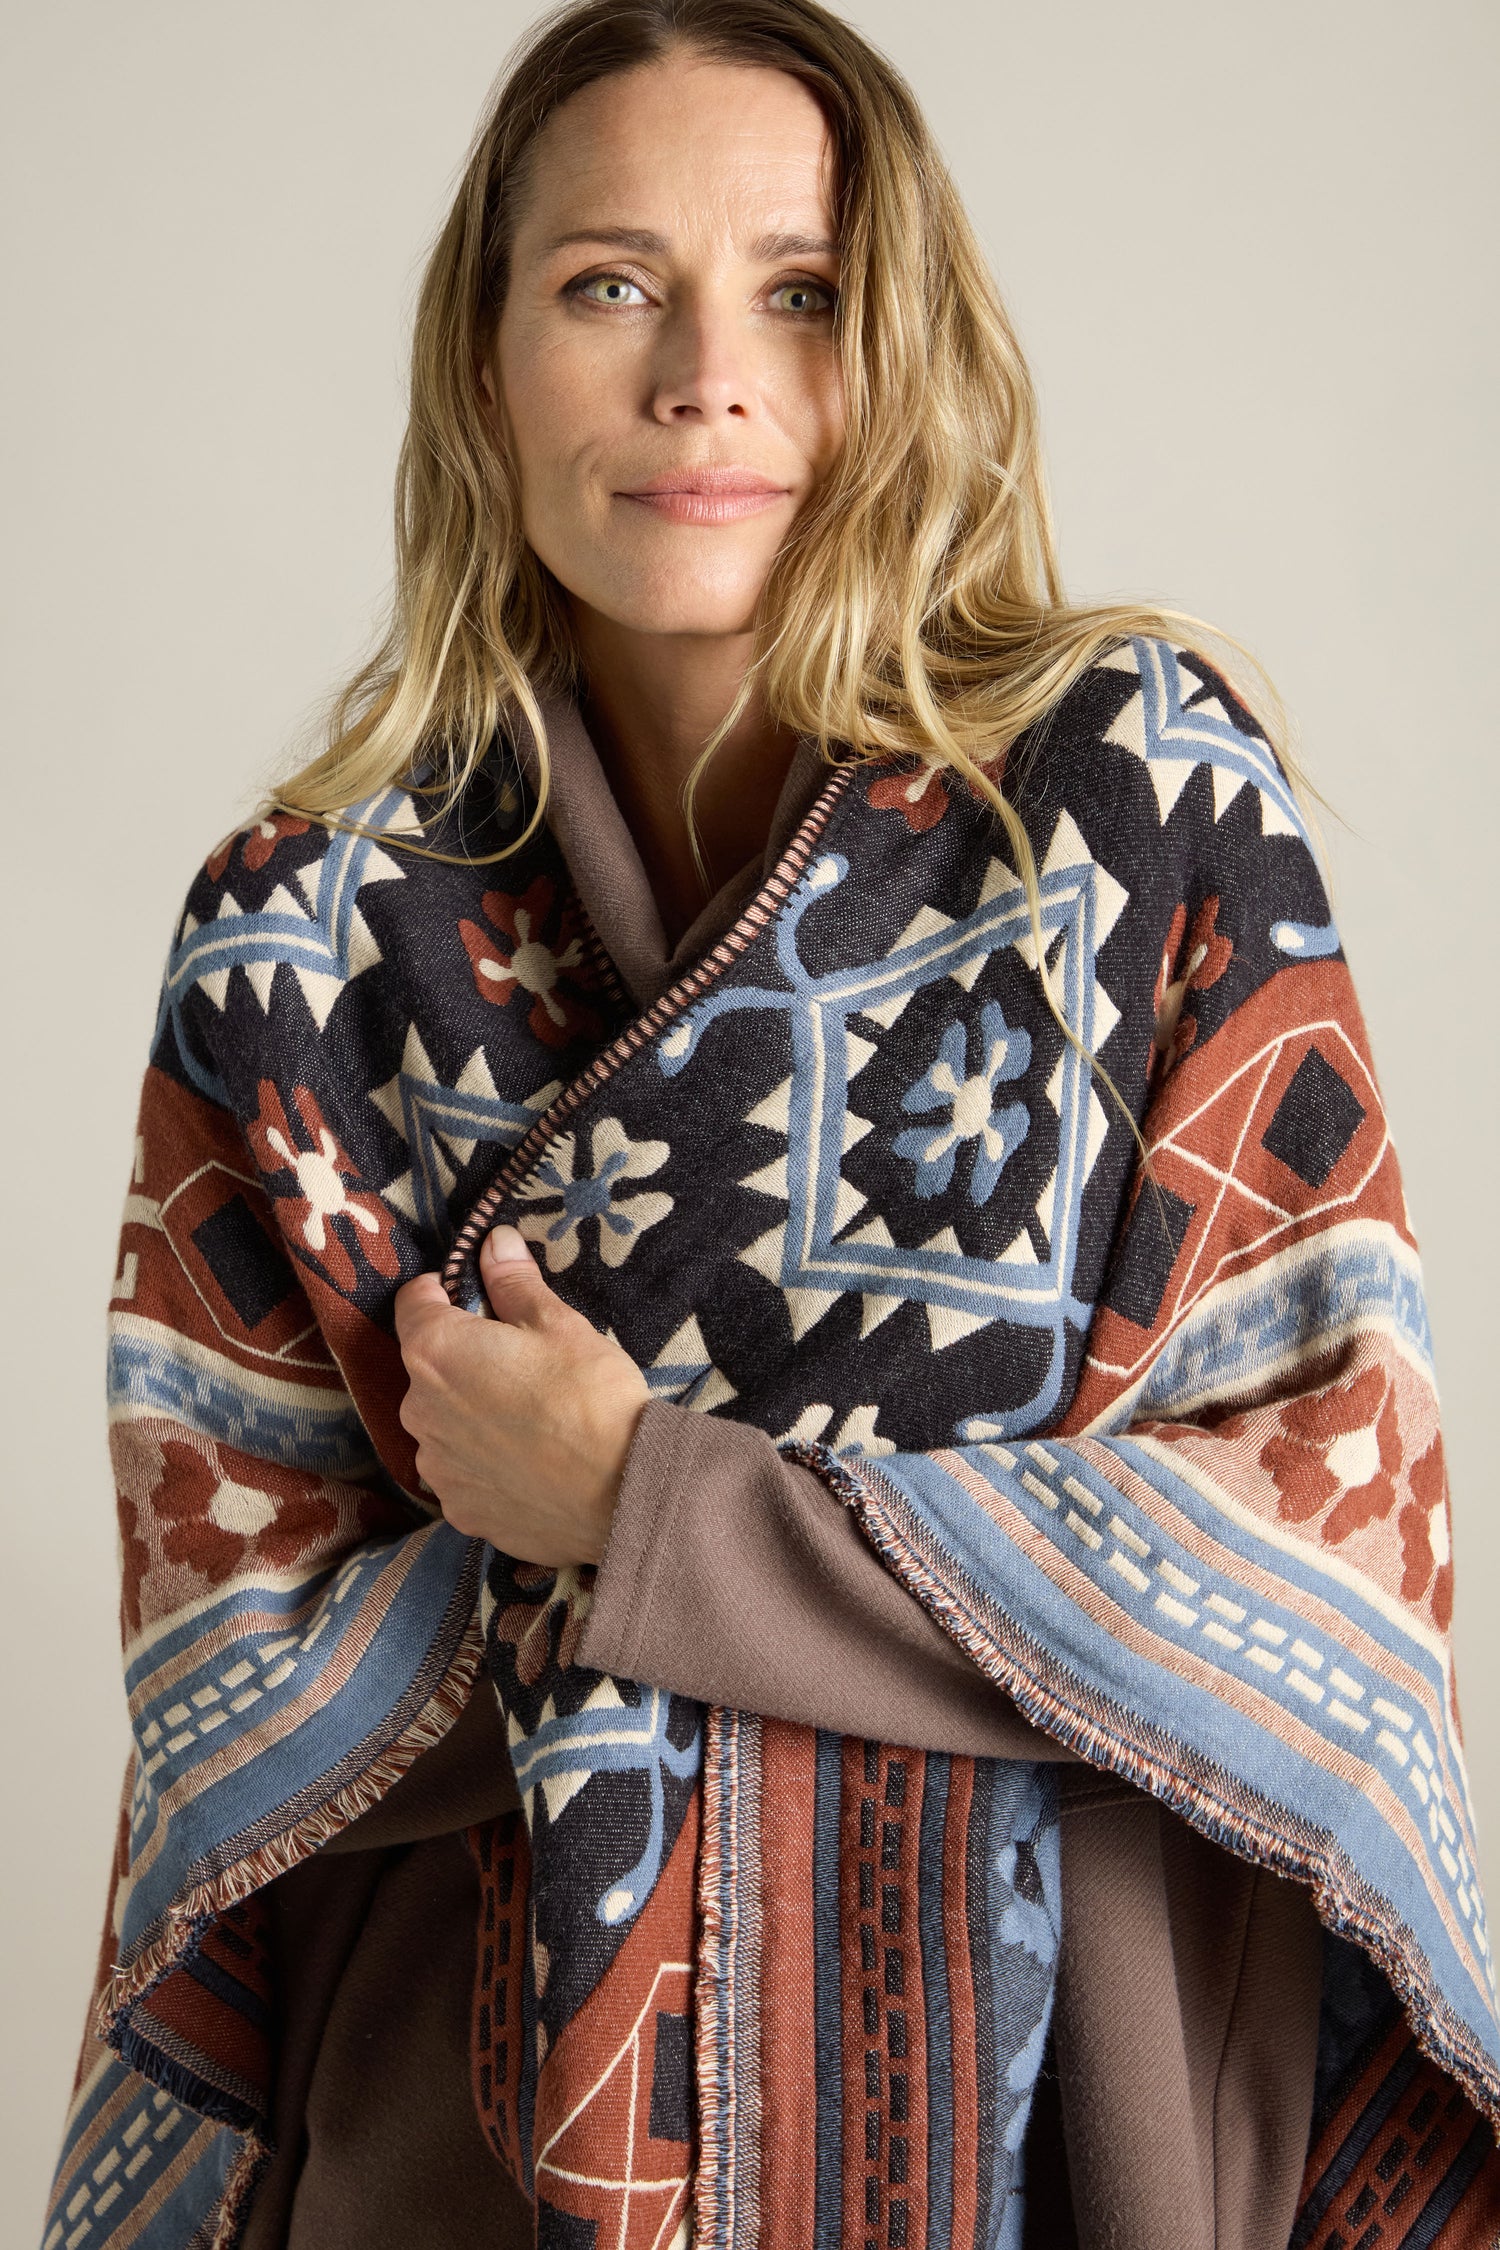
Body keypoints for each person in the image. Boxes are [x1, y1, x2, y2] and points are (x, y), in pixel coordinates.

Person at [44, 1, 1500, 2244]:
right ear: (483, 364)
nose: (703, 375)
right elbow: (236, 1676)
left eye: (802, 295)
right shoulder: (301, 942)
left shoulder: (1140, 824)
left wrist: (643, 1513)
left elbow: (1317, 1562)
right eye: (607, 285)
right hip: (459, 2147)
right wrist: (874, 1574)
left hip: (1069, 2134)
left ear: (896, 352)